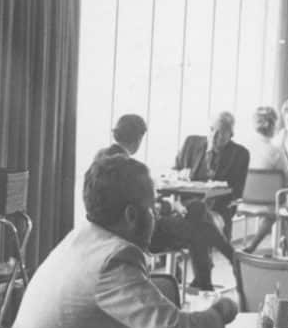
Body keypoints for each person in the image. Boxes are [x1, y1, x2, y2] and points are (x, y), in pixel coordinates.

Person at [11, 155, 238, 328]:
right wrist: (221, 312)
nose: (156, 217)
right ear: (131, 215)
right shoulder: (113, 260)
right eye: (153, 208)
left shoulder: (78, 240)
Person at [94, 116, 237, 292]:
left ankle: (206, 278)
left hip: (114, 229)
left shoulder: (101, 158)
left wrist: (168, 206)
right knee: (198, 224)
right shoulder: (131, 167)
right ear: (138, 138)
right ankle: (222, 264)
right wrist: (170, 207)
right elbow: (145, 208)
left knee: (197, 209)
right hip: (141, 234)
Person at [171, 111, 249, 288]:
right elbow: (175, 172)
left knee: (197, 214)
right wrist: (179, 175)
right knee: (197, 212)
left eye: (221, 132)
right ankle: (229, 256)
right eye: (212, 129)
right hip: (185, 204)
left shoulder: (240, 154)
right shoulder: (191, 143)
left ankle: (202, 279)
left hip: (218, 206)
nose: (214, 136)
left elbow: (236, 191)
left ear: (231, 134)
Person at [242, 106, 288, 253]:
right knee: (280, 206)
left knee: (274, 205)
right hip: (269, 203)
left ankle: (250, 247)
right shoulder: (275, 151)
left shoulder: (245, 147)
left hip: (244, 200)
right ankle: (285, 245)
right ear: (273, 125)